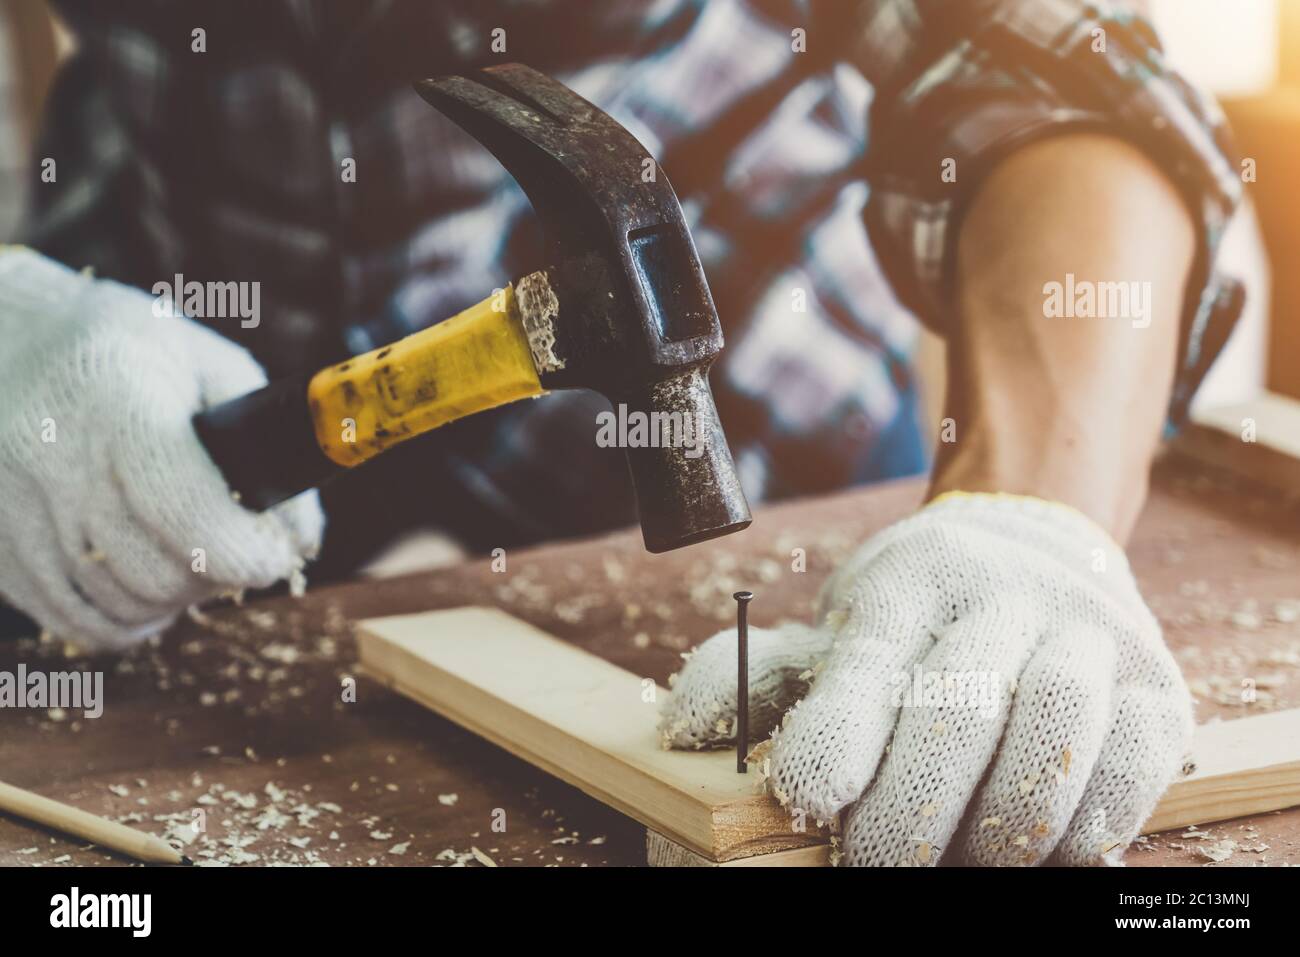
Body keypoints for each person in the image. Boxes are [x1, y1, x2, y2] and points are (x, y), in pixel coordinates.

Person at [0, 1, 1243, 865]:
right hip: (138, 383)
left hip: (771, 429)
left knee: (840, 738)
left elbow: (1064, 75)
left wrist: (1033, 515)